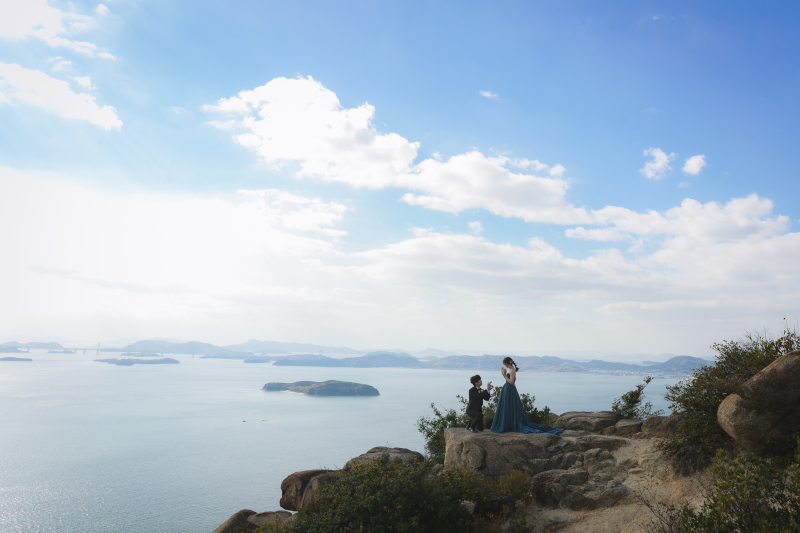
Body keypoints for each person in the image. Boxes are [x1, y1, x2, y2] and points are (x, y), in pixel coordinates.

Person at [490, 356, 563, 435]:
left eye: (505, 364)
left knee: (511, 407)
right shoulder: (509, 369)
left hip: (510, 390)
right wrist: (503, 374)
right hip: (507, 390)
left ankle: (510, 424)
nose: (505, 366)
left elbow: (511, 382)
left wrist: (504, 375)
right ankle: (507, 424)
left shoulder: (512, 370)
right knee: (507, 407)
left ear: (508, 363)